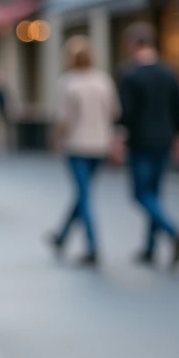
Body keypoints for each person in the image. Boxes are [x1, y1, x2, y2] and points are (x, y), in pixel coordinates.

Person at [115, 21, 179, 269]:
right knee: (155, 194)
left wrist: (119, 139)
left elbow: (127, 114)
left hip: (141, 142)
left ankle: (172, 231)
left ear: (134, 45)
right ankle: (149, 247)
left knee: (141, 194)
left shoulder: (131, 75)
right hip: (165, 139)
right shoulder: (169, 73)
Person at [47, 36, 119, 267]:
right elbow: (114, 112)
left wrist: (57, 141)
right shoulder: (103, 80)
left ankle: (92, 247)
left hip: (77, 146)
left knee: (84, 195)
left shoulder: (69, 82)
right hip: (99, 145)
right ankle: (61, 236)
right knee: (84, 193)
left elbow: (63, 119)